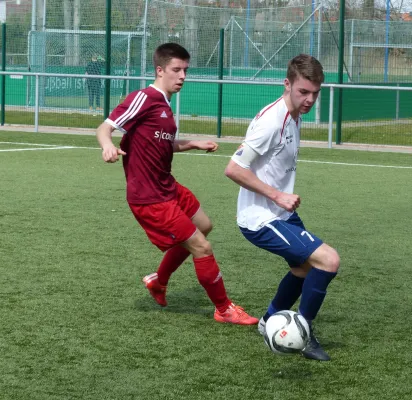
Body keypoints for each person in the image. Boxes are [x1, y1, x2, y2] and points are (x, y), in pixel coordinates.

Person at [95, 42, 258, 326]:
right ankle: (224, 309)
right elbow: (105, 127)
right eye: (176, 70)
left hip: (167, 186)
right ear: (160, 70)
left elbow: (160, 144)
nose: (182, 76)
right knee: (202, 247)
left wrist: (191, 143)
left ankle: (159, 280)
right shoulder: (145, 97)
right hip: (150, 197)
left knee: (204, 225)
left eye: (185, 70)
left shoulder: (165, 105)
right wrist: (107, 145)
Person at [224, 54, 340, 359]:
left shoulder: (294, 115)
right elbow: (234, 169)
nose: (310, 100)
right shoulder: (272, 121)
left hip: (281, 214)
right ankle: (304, 331)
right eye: (303, 92)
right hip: (260, 218)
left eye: (315, 93)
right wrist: (278, 196)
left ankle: (268, 321)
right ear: (286, 84)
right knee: (328, 261)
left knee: (303, 271)